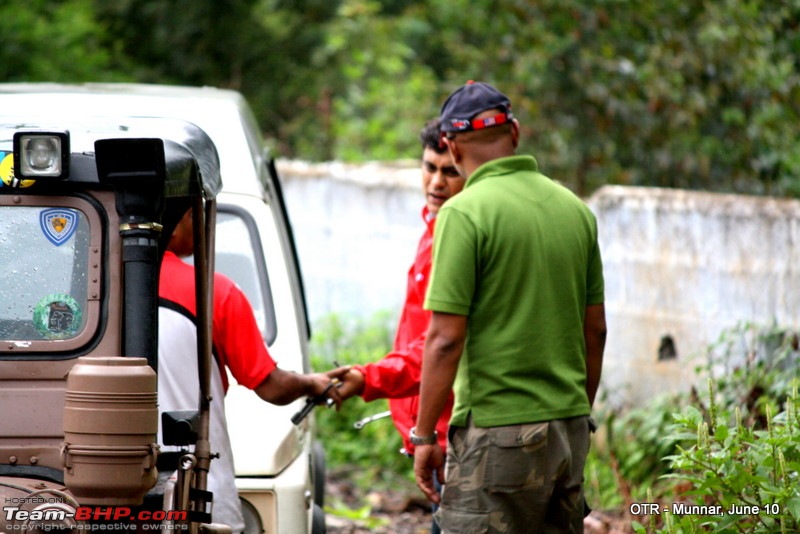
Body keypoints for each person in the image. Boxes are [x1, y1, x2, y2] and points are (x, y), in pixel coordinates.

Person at [412, 81, 607, 533]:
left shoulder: (464, 214)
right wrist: (576, 411)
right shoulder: (575, 210)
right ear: (514, 133)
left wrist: (424, 436)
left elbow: (444, 339)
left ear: (451, 145)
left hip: (497, 434)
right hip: (568, 430)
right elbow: (594, 330)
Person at [158, 209, 348, 533]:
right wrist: (312, 384)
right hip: (198, 492)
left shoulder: (95, 290)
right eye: (193, 215)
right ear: (173, 224)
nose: (203, 223)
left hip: (103, 487)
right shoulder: (214, 292)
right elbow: (271, 386)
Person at [337, 119, 463, 533]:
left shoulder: (458, 240)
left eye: (450, 172)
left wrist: (368, 378)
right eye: (430, 168)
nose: (436, 182)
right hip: (426, 427)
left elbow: (440, 345)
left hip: (450, 435)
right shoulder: (433, 229)